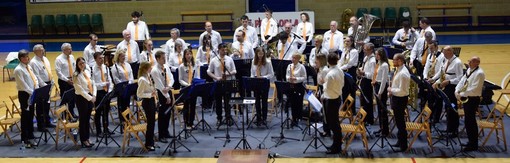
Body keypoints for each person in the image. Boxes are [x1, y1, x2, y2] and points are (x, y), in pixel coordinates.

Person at [432, 46, 463, 137]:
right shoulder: (446, 60)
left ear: (450, 52)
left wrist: (449, 81)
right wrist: (435, 81)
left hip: (452, 87)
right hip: (446, 86)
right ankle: (449, 128)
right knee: (447, 108)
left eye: (445, 52)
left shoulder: (457, 62)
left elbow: (460, 78)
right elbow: (443, 73)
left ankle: (454, 131)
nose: (443, 54)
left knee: (453, 108)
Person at [455, 56, 484, 151]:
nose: (469, 63)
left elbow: (474, 89)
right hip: (467, 98)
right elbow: (462, 81)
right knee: (467, 121)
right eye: (469, 61)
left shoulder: (479, 73)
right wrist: (457, 90)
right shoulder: (469, 70)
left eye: (471, 61)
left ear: (477, 63)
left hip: (473, 99)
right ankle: (470, 141)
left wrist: (461, 94)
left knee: (471, 122)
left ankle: (473, 144)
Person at [14, 49, 40, 148]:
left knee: (31, 115)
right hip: (25, 95)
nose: (27, 58)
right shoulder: (18, 70)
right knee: (26, 117)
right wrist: (32, 92)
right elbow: (23, 85)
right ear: (20, 59)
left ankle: (31, 135)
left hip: (32, 93)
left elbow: (35, 78)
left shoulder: (28, 66)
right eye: (24, 57)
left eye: (27, 56)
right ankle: (25, 138)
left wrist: (36, 88)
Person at [207, 43, 237, 126]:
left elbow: (234, 71)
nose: (224, 51)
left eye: (225, 50)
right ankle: (219, 118)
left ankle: (228, 117)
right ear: (219, 50)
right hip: (218, 82)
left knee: (228, 101)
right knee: (218, 101)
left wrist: (227, 74)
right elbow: (208, 71)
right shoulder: (214, 60)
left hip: (227, 82)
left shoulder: (229, 59)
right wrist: (216, 77)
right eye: (223, 50)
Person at [322, 52, 344, 154]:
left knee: (333, 124)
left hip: (331, 99)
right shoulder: (339, 70)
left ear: (328, 61)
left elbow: (327, 88)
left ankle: (336, 147)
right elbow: (342, 84)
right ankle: (336, 144)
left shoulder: (330, 74)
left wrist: (323, 84)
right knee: (335, 124)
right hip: (337, 97)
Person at [388, 53, 411, 152]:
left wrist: (391, 90)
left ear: (400, 61)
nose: (393, 62)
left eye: (394, 60)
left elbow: (402, 91)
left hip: (400, 100)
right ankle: (399, 141)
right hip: (397, 98)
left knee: (401, 123)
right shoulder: (399, 70)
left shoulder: (403, 74)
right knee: (398, 122)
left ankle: (403, 145)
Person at [29, 44, 54, 131]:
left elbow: (49, 70)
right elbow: (37, 76)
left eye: (43, 49)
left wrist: (52, 80)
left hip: (48, 84)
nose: (43, 51)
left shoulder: (45, 59)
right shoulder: (33, 62)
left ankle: (47, 121)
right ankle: (41, 125)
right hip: (41, 86)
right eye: (40, 50)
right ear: (35, 52)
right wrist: (44, 86)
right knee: (40, 106)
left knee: (47, 104)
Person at [150, 50, 173, 143]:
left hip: (168, 90)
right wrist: (167, 96)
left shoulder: (166, 66)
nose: (165, 60)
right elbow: (159, 85)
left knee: (168, 113)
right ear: (157, 59)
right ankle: (161, 135)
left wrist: (169, 86)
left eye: (165, 58)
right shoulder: (154, 70)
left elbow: (171, 78)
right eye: (163, 58)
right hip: (161, 93)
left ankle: (166, 131)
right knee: (162, 114)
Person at [73, 57, 96, 148]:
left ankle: (87, 138)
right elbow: (80, 90)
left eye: (83, 63)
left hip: (89, 97)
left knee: (87, 119)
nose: (82, 65)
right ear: (77, 65)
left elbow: (92, 83)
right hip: (81, 99)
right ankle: (83, 139)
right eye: (80, 64)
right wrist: (90, 98)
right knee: (83, 120)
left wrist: (93, 95)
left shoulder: (86, 72)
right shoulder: (76, 75)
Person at [91, 52, 114, 137]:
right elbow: (93, 84)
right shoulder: (92, 69)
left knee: (106, 111)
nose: (102, 60)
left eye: (102, 58)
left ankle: (106, 128)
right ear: (95, 59)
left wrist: (110, 90)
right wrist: (103, 84)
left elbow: (110, 80)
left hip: (106, 92)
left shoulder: (106, 68)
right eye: (100, 58)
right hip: (98, 92)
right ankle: (98, 131)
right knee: (98, 112)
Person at [110, 49, 134, 128]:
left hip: (128, 86)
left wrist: (130, 82)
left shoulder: (127, 65)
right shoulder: (115, 67)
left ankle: (127, 120)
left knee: (127, 105)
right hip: (121, 88)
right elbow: (116, 79)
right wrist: (123, 85)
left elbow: (131, 75)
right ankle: (123, 122)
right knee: (122, 105)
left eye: (124, 56)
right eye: (122, 56)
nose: (124, 57)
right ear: (118, 57)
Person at [250, 47, 274, 125]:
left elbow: (271, 74)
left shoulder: (268, 62)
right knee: (257, 101)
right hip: (256, 82)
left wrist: (263, 77)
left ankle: (264, 118)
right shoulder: (253, 61)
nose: (260, 55)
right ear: (256, 54)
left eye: (262, 54)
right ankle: (258, 117)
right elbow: (252, 72)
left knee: (264, 101)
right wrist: (253, 77)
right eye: (259, 54)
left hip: (264, 82)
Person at [136, 62, 157, 151]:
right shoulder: (142, 79)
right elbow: (139, 94)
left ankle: (151, 141)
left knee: (152, 123)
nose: (151, 69)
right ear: (145, 69)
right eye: (149, 67)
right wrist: (150, 94)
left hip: (151, 100)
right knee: (150, 123)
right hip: (147, 102)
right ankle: (148, 143)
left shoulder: (147, 76)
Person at [423, 41, 445, 123]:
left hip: (437, 80)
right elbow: (426, 67)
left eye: (432, 48)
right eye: (429, 48)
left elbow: (441, 70)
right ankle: (430, 116)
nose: (430, 49)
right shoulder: (429, 56)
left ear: (436, 47)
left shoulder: (442, 56)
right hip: (429, 80)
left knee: (438, 100)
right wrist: (425, 76)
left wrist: (434, 79)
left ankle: (436, 118)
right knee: (430, 99)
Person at [179, 49, 199, 129]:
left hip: (193, 87)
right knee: (186, 106)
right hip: (186, 87)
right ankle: (186, 122)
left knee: (193, 105)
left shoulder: (194, 65)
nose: (189, 56)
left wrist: (195, 83)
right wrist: (188, 84)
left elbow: (197, 76)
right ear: (184, 56)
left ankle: (191, 122)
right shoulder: (181, 66)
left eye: (190, 54)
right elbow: (180, 79)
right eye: (187, 54)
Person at [55, 43, 77, 117]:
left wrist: (75, 78)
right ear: (64, 50)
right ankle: (64, 115)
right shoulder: (59, 59)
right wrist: (67, 80)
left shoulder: (72, 57)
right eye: (69, 49)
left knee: (72, 98)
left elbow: (74, 68)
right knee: (65, 98)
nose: (71, 50)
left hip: (72, 80)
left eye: (71, 48)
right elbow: (58, 73)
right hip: (64, 81)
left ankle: (72, 113)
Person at [357, 43, 376, 125]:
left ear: (371, 50)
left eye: (365, 49)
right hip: (363, 80)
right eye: (364, 49)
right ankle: (363, 117)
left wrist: (363, 73)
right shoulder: (366, 58)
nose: (364, 51)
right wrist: (360, 70)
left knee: (367, 101)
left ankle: (369, 119)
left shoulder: (372, 60)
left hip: (368, 82)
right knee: (363, 100)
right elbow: (364, 67)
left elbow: (372, 75)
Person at [372, 48, 390, 137]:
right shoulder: (379, 63)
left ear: (381, 55)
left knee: (383, 109)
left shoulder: (385, 65)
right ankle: (381, 127)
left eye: (377, 54)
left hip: (381, 87)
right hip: (377, 85)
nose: (376, 56)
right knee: (379, 110)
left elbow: (384, 80)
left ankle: (385, 130)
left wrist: (380, 92)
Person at [286, 53, 307, 126]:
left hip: (298, 86)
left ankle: (298, 118)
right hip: (291, 86)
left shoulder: (301, 67)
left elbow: (304, 77)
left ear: (298, 59)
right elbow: (287, 75)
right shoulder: (289, 66)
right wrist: (289, 78)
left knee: (298, 103)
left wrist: (296, 79)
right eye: (292, 58)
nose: (293, 59)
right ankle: (293, 118)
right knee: (292, 103)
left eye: (295, 58)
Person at [313, 54, 330, 137]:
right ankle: (325, 129)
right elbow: (318, 82)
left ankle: (327, 131)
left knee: (326, 112)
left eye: (317, 60)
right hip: (320, 89)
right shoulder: (320, 69)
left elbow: (327, 83)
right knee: (323, 111)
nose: (315, 61)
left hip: (325, 91)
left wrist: (323, 94)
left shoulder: (325, 70)